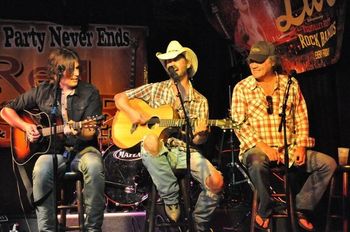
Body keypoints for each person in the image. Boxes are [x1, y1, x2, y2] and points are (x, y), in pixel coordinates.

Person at [114, 40, 224, 232]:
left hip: (184, 150)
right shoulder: (156, 88)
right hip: (155, 152)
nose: (170, 64)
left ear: (187, 63)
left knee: (216, 181)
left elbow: (198, 141)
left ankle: (198, 225)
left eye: (175, 59)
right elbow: (119, 97)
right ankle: (171, 200)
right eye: (167, 61)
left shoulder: (200, 101)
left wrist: (201, 134)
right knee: (150, 139)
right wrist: (132, 113)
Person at [231, 41, 336, 231]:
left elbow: (301, 117)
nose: (253, 64)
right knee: (256, 160)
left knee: (328, 164)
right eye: (251, 60)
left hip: (288, 150)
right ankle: (265, 208)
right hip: (257, 150)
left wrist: (301, 146)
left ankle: (300, 207)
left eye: (259, 61)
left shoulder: (290, 84)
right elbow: (239, 124)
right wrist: (264, 147)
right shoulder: (242, 88)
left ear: (272, 62)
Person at [0, 47, 105, 232]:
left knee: (95, 167)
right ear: (58, 71)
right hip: (53, 153)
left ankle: (92, 229)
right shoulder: (43, 92)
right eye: (72, 69)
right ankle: (47, 230)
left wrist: (78, 131)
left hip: (83, 151)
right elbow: (5, 110)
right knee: (41, 170)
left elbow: (91, 131)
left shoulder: (90, 92)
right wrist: (26, 127)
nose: (77, 73)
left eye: (79, 68)